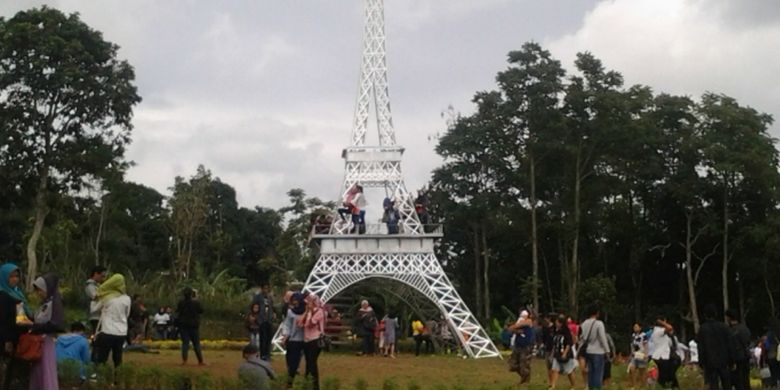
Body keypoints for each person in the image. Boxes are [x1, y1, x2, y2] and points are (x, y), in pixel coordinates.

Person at [30, 273, 65, 390]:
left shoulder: (54, 303)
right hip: (39, 342)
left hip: (46, 342)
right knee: (39, 371)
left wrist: (35, 327)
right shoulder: (44, 303)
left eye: (40, 290)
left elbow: (56, 324)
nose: (39, 293)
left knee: (46, 370)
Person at [0, 263, 32, 390]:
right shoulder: (3, 296)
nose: (15, 279)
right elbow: (3, 321)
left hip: (19, 339)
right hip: (6, 341)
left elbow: (21, 318)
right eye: (11, 276)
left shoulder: (18, 294)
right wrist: (7, 340)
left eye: (16, 276)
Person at [93, 274, 131, 368]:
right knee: (118, 358)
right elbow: (127, 314)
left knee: (102, 357)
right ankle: (117, 379)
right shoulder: (127, 299)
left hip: (107, 331)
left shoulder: (107, 298)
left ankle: (101, 377)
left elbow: (94, 309)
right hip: (122, 332)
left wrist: (95, 299)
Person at [697, 305, 734, 390]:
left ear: (705, 315)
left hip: (710, 361)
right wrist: (732, 360)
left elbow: (701, 347)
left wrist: (701, 362)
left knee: (713, 384)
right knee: (726, 383)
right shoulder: (724, 327)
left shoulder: (702, 329)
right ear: (716, 314)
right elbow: (730, 344)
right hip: (724, 360)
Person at [299, 294, 326, 390]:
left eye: (309, 302)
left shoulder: (319, 312)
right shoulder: (308, 312)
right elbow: (299, 324)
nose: (307, 304)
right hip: (307, 340)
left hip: (315, 340)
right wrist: (306, 312)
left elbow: (310, 324)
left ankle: (315, 386)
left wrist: (309, 311)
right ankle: (306, 384)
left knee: (312, 362)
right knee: (308, 362)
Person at [579, 305, 610, 390]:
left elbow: (582, 337)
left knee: (590, 373)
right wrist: (607, 350)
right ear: (597, 313)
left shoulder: (584, 323)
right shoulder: (599, 323)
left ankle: (590, 387)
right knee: (598, 373)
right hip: (598, 351)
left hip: (588, 350)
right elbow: (602, 338)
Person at [281, 292, 305, 385]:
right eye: (293, 300)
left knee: (296, 359)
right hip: (292, 339)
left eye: (296, 300)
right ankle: (291, 372)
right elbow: (287, 324)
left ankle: (291, 379)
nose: (295, 302)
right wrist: (285, 336)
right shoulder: (290, 312)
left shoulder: (306, 312)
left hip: (302, 339)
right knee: (290, 358)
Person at [176, 287, 205, 365]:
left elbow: (178, 312)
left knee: (185, 343)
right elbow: (201, 311)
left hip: (183, 325)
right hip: (194, 326)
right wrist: (197, 299)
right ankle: (200, 361)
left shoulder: (181, 302)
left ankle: (184, 360)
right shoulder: (196, 303)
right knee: (196, 344)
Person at [650, 317, 680, 389]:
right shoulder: (659, 331)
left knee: (668, 375)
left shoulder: (658, 332)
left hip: (663, 356)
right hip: (662, 357)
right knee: (666, 376)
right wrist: (662, 322)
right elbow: (670, 327)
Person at [507, 310, 535, 386]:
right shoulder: (519, 322)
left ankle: (525, 381)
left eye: (524, 316)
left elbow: (514, 327)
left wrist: (515, 327)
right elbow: (510, 329)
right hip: (518, 346)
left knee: (524, 365)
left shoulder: (529, 321)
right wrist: (516, 330)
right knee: (512, 365)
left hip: (526, 347)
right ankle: (524, 377)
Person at [726, 309, 751, 390]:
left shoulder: (730, 331)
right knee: (746, 379)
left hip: (736, 358)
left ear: (729, 318)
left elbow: (730, 346)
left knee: (738, 381)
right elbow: (748, 341)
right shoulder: (744, 328)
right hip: (746, 356)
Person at [549, 314, 577, 389]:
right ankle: (553, 385)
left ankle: (573, 386)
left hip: (566, 353)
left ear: (560, 323)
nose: (556, 323)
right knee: (555, 369)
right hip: (557, 353)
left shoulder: (566, 331)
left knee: (569, 371)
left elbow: (569, 343)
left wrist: (565, 353)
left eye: (557, 321)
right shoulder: (556, 330)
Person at [251, 284, 274, 361]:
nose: (266, 290)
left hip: (269, 320)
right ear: (262, 289)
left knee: (268, 338)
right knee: (263, 338)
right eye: (264, 288)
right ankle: (263, 354)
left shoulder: (270, 298)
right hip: (261, 320)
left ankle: (268, 354)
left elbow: (272, 307)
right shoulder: (258, 297)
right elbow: (253, 307)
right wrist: (255, 317)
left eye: (267, 288)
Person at [84, 265, 107, 335]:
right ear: (96, 274)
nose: (103, 278)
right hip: (94, 316)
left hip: (100, 315)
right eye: (102, 276)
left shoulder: (98, 285)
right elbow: (95, 296)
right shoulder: (90, 285)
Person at [628, 322, 649, 390]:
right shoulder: (633, 335)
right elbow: (632, 345)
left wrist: (646, 354)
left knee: (642, 372)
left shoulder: (644, 335)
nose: (635, 328)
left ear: (640, 328)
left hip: (641, 354)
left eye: (636, 327)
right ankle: (634, 385)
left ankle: (643, 386)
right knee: (632, 369)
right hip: (634, 355)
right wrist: (631, 354)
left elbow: (645, 345)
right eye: (634, 327)